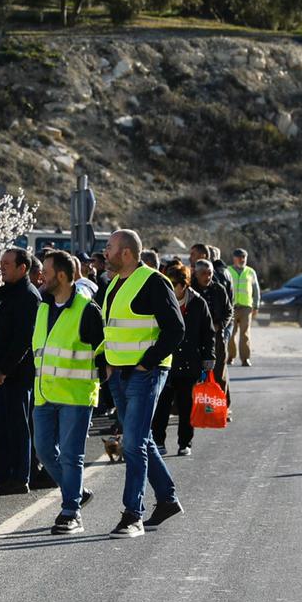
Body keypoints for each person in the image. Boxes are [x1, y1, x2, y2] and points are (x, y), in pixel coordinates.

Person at [100, 229, 185, 540]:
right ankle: (167, 500)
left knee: (133, 443)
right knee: (141, 439)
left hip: (145, 373)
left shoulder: (153, 281)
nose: (104, 253)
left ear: (125, 253)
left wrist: (147, 361)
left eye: (108, 248)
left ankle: (132, 514)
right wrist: (108, 362)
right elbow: (112, 329)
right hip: (120, 374)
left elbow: (175, 329)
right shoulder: (114, 285)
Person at [32, 250, 103, 534]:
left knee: (71, 456)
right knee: (45, 452)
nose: (41, 278)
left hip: (75, 395)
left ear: (61, 276)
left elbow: (103, 352)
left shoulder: (87, 310)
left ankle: (71, 511)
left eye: (46, 273)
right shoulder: (43, 307)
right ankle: (77, 492)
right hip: (44, 395)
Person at [0, 247, 40, 494]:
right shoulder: (5, 293)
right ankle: (1, 475)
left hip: (16, 373)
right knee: (1, 425)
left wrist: (4, 369)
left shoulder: (28, 295)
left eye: (6, 264)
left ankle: (19, 477)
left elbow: (23, 339)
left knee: (18, 426)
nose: (1, 268)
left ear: (22, 268)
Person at [152, 263, 217, 457]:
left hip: (190, 363)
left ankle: (185, 442)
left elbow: (208, 333)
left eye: (174, 283)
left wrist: (209, 357)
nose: (170, 287)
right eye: (168, 283)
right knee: (161, 406)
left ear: (184, 285)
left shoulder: (198, 303)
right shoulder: (162, 302)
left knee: (186, 406)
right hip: (165, 361)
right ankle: (159, 442)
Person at [191, 259, 233, 414]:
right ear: (196, 274)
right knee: (194, 374)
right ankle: (197, 408)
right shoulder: (191, 290)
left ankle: (223, 408)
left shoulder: (219, 289)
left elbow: (229, 311)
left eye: (209, 273)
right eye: (203, 273)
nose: (207, 277)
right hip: (195, 338)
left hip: (216, 337)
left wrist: (219, 325)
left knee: (219, 373)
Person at [225, 248, 260, 367]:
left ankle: (245, 359)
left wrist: (256, 305)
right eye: (239, 257)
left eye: (244, 257)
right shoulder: (228, 271)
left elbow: (256, 290)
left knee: (245, 334)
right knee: (231, 333)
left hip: (246, 307)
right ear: (234, 258)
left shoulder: (250, 272)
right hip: (232, 307)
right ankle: (231, 356)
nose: (242, 260)